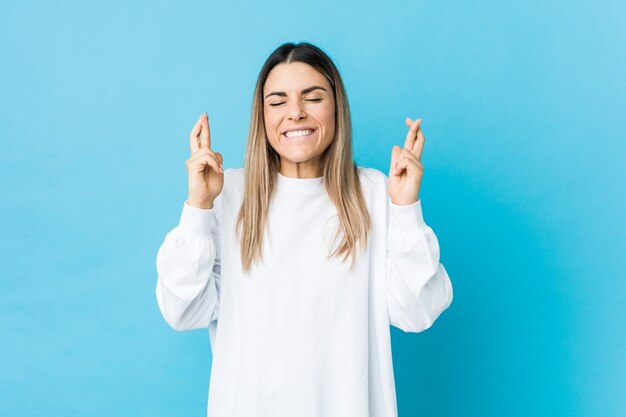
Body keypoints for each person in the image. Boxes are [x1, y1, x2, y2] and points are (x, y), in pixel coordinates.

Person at [155, 41, 453, 417]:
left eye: (312, 98)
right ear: (262, 116)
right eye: (277, 102)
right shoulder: (227, 194)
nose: (294, 113)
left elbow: (419, 311)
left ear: (336, 107)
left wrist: (406, 207)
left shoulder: (375, 193)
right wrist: (198, 208)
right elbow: (182, 311)